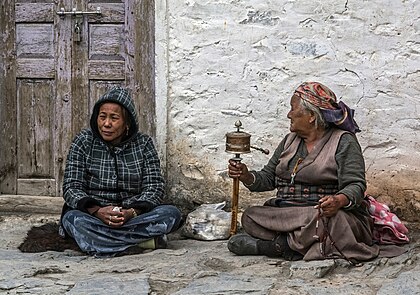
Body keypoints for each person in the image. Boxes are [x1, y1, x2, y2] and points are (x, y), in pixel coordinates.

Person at [227, 81, 384, 262]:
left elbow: (356, 185)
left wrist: (338, 200)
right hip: (289, 213)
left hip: (321, 214)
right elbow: (268, 178)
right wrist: (246, 175)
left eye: (293, 109)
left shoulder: (343, 141)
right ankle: (300, 243)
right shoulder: (289, 141)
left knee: (331, 223)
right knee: (250, 217)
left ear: (311, 116)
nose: (289, 114)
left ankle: (277, 246)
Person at [60, 86, 182, 257]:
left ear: (127, 123)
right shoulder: (83, 141)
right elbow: (71, 187)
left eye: (114, 118)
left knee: (172, 214)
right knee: (74, 220)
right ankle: (142, 242)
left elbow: (154, 187)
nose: (106, 124)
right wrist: (97, 211)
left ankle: (100, 242)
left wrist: (131, 213)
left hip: (133, 215)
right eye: (102, 117)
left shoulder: (144, 144)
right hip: (94, 215)